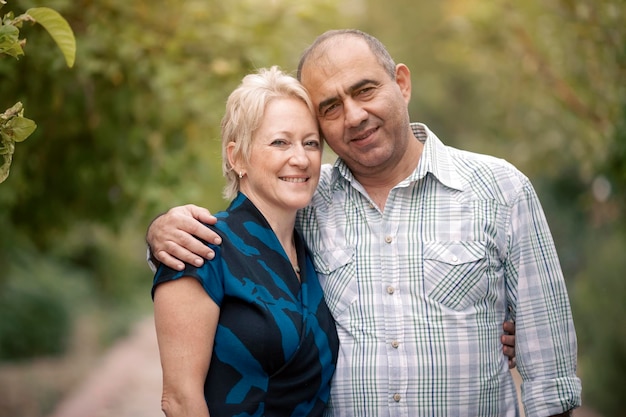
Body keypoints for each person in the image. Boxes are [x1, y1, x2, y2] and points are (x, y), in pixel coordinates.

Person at [147, 30, 581, 416]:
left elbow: (550, 374)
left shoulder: (500, 190)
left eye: (365, 90)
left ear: (402, 84)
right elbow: (227, 254)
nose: (354, 116)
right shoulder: (309, 200)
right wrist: (160, 233)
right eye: (331, 107)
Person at [151, 66, 339, 417]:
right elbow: (179, 401)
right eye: (280, 142)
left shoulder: (311, 247)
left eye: (310, 143)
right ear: (237, 157)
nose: (300, 158)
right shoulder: (201, 247)